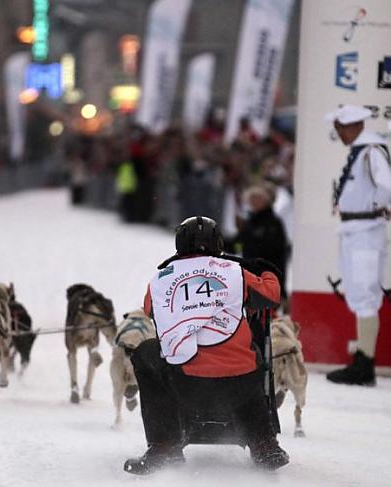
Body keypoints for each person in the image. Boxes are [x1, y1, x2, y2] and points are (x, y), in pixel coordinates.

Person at [124, 216, 288, 475]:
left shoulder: (162, 279)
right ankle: (263, 443)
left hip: (185, 385)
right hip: (239, 387)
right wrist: (265, 270)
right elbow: (272, 294)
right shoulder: (236, 273)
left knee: (146, 352)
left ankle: (163, 445)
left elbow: (149, 309)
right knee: (250, 353)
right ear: (218, 244)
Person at [324, 105, 391, 386]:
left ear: (353, 125)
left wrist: (376, 207)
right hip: (354, 229)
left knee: (365, 295)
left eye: (340, 127)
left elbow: (387, 185)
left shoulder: (372, 151)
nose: (338, 132)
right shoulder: (361, 152)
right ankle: (362, 360)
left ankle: (365, 365)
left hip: (366, 230)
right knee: (358, 292)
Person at [236, 184, 289, 301]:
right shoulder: (249, 222)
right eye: (252, 199)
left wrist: (252, 244)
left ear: (265, 201)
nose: (254, 202)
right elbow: (238, 245)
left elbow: (275, 248)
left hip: (270, 273)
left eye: (258, 199)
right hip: (251, 274)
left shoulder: (273, 222)